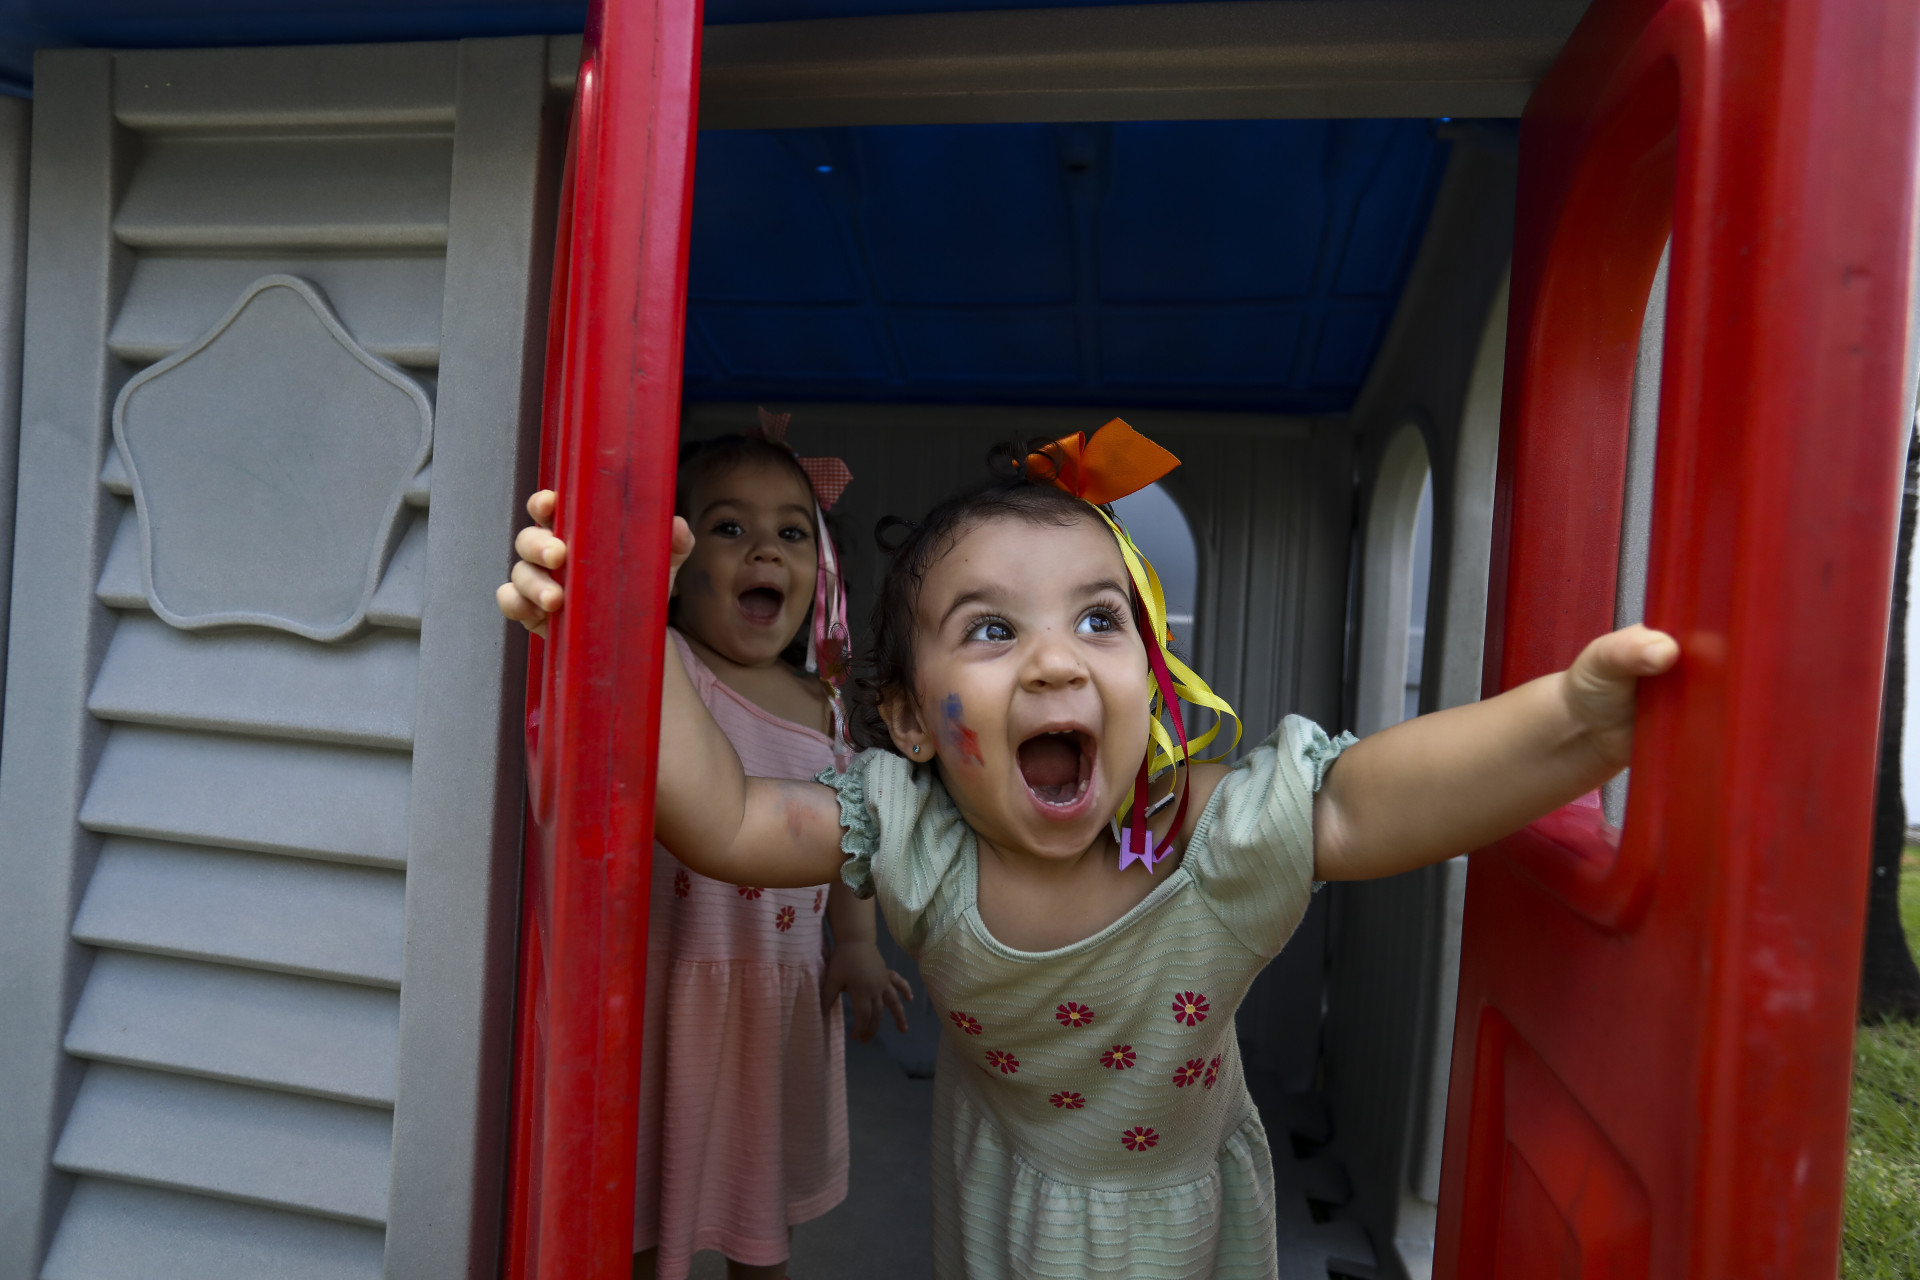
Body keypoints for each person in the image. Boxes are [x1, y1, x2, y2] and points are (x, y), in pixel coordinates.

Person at [500, 418, 1678, 1279]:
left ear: (1152, 678)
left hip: (1176, 1221)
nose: (1057, 661)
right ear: (911, 722)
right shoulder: (909, 827)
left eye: (1100, 619)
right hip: (997, 1179)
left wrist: (1574, 720)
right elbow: (723, 817)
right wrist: (621, 618)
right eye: (995, 628)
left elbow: (1367, 801)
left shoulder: (1205, 839)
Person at [506, 422, 910, 1280]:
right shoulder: (674, 673)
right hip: (669, 990)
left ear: (818, 571)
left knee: (759, 1215)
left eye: (791, 532)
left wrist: (861, 943)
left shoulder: (827, 706)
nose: (765, 546)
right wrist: (601, 610)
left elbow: (851, 837)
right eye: (729, 528)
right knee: (645, 1207)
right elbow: (594, 722)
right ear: (677, 570)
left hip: (776, 999)